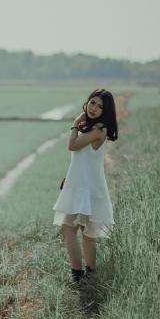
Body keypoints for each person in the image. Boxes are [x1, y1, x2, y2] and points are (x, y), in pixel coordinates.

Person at [52, 88, 118, 282]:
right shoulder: (91, 127)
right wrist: (69, 177)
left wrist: (74, 124)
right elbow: (82, 158)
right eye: (92, 103)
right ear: (87, 102)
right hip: (81, 183)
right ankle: (89, 273)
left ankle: (78, 274)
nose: (94, 108)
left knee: (68, 228)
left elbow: (72, 146)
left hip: (87, 187)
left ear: (106, 112)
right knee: (85, 232)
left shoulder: (98, 129)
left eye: (100, 106)